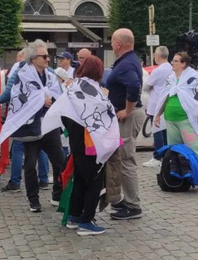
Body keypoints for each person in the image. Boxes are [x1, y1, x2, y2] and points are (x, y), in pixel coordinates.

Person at [44, 55, 119, 236]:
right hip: (92, 144)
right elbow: (105, 114)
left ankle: (74, 217)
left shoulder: (73, 87)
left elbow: (63, 113)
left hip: (76, 143)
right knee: (93, 182)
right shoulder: (94, 91)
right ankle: (86, 221)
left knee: (79, 180)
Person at [0, 40, 65, 213]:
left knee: (59, 162)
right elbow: (17, 94)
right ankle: (33, 199)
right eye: (44, 56)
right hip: (31, 125)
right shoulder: (22, 73)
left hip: (49, 125)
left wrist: (50, 99)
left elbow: (58, 93)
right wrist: (40, 100)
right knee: (30, 164)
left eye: (48, 56)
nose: (48, 59)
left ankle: (57, 194)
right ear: (33, 58)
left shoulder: (50, 74)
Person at [154, 51, 198, 191]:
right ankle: (180, 177)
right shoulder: (170, 78)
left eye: (176, 61)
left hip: (186, 119)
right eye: (173, 60)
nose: (172, 63)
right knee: (175, 150)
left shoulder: (194, 78)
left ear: (184, 63)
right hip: (171, 119)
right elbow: (165, 96)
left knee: (196, 147)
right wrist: (158, 114)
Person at [104, 29, 145, 220]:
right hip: (124, 115)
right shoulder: (127, 60)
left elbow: (133, 86)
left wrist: (127, 110)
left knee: (126, 159)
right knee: (122, 158)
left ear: (119, 44)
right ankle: (127, 202)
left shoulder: (127, 63)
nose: (111, 45)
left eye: (112, 42)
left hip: (128, 117)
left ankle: (133, 206)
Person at [0, 53, 50, 193]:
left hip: (23, 117)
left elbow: (8, 93)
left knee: (18, 148)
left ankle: (15, 182)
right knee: (41, 148)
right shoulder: (48, 71)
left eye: (20, 55)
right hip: (43, 116)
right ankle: (43, 180)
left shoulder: (19, 71)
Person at [141, 46, 171, 167]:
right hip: (167, 104)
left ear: (158, 56)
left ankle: (157, 156)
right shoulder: (171, 68)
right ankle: (166, 155)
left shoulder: (157, 71)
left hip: (156, 104)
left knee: (157, 131)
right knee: (165, 132)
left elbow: (146, 87)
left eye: (154, 55)